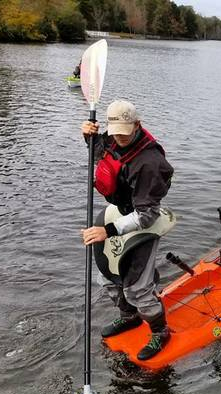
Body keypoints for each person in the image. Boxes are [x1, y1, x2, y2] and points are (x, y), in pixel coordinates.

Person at [80, 100, 174, 360]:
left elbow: (147, 215)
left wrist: (107, 232)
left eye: (126, 131)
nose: (120, 137)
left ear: (137, 125)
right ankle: (129, 316)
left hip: (144, 219)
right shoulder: (112, 138)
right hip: (119, 211)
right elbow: (99, 150)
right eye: (115, 131)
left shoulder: (149, 163)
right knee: (107, 275)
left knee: (136, 287)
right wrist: (87, 135)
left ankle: (160, 332)